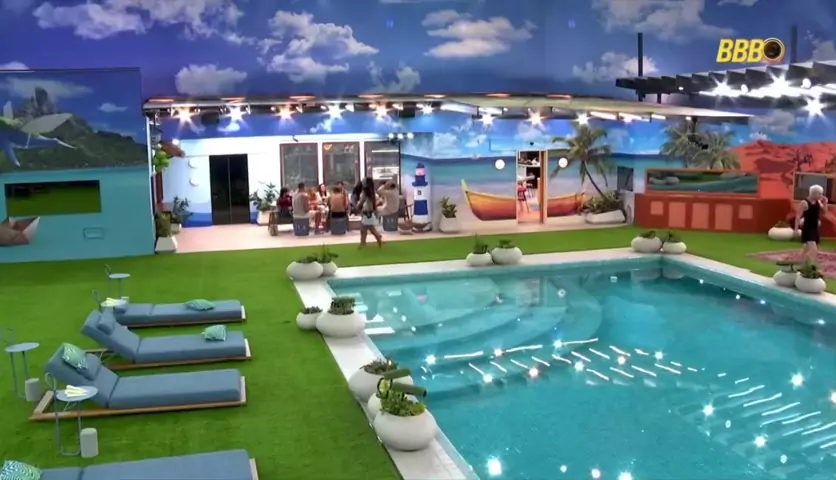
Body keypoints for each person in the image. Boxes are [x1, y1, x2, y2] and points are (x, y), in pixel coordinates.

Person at [796, 184, 830, 263]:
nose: (821, 196)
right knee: (813, 250)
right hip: (808, 229)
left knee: (806, 249)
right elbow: (798, 216)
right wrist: (796, 229)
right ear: (813, 193)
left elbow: (824, 211)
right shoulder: (804, 203)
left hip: (815, 228)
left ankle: (801, 263)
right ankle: (811, 265)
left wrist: (825, 203)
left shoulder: (818, 202)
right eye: (819, 194)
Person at [356, 178, 383, 248]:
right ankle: (363, 243)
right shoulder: (371, 191)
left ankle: (379, 240)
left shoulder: (366, 191)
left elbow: (362, 201)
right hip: (369, 212)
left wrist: (357, 207)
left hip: (367, 212)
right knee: (364, 229)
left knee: (370, 229)